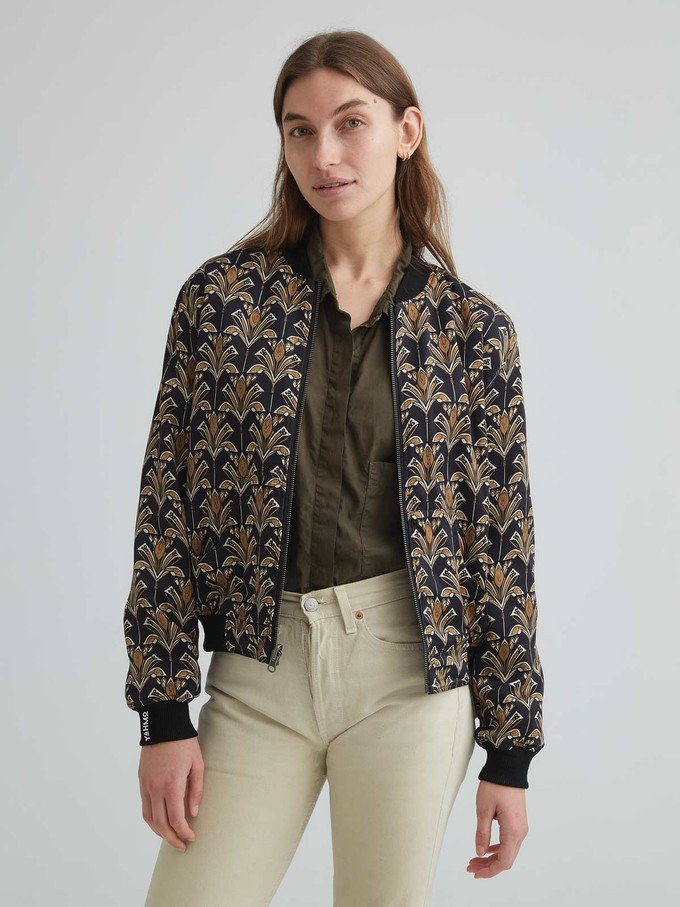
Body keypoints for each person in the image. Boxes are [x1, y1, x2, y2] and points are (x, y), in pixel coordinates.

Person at [123, 29, 545, 906]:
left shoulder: (471, 333)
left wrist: (511, 751)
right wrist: (162, 711)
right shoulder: (221, 302)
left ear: (406, 132)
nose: (325, 154)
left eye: (351, 123)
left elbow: (501, 542)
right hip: (258, 669)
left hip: (409, 678)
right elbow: (167, 505)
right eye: (300, 130)